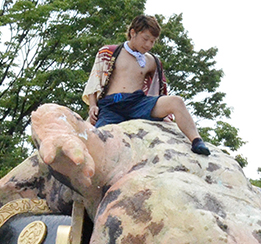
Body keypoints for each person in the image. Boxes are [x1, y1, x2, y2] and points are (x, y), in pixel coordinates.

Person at [81, 14, 211, 155]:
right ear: (133, 33)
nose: (148, 45)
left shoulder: (151, 61)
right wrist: (93, 106)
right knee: (98, 140)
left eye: (153, 41)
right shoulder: (110, 52)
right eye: (145, 39)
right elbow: (95, 79)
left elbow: (158, 87)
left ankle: (196, 140)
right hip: (112, 105)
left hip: (137, 103)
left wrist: (165, 114)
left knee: (176, 102)